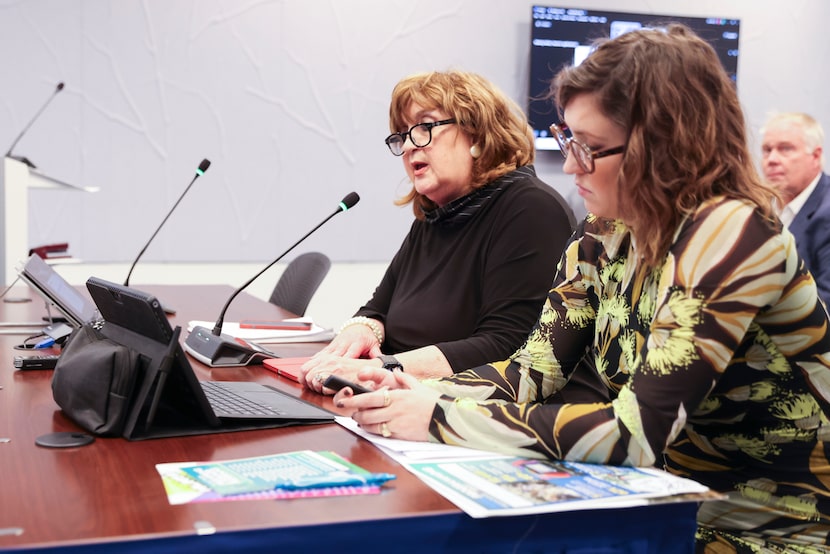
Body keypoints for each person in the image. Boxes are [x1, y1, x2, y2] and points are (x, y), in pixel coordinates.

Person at [333, 25, 830, 552]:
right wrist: (411, 389)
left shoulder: (733, 235)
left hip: (767, 529)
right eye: (569, 141)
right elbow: (531, 372)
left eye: (588, 148)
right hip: (665, 506)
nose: (569, 165)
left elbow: (636, 435)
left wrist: (440, 419)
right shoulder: (604, 231)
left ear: (660, 145)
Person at [301, 70, 575, 391]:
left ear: (477, 133)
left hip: (461, 411)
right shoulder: (436, 215)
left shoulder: (531, 208)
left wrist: (385, 368)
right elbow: (378, 309)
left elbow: (508, 345)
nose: (407, 146)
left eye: (424, 127)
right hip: (393, 395)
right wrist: (359, 331)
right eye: (402, 134)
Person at [761, 112, 830, 308]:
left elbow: (826, 303)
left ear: (815, 156)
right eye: (767, 150)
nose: (771, 159)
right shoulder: (761, 207)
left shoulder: (827, 213)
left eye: (785, 149)